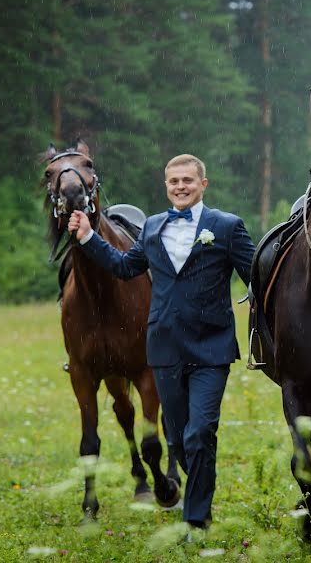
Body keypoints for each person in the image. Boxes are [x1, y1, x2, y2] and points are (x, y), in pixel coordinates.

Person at [68, 153, 255, 529]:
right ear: (166, 187)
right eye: (174, 181)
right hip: (164, 350)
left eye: (188, 180)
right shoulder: (152, 228)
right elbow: (124, 267)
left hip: (211, 348)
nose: (181, 187)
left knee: (201, 431)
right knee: (180, 440)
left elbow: (256, 278)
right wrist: (88, 237)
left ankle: (196, 519)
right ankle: (199, 485)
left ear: (203, 184)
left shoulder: (227, 226)